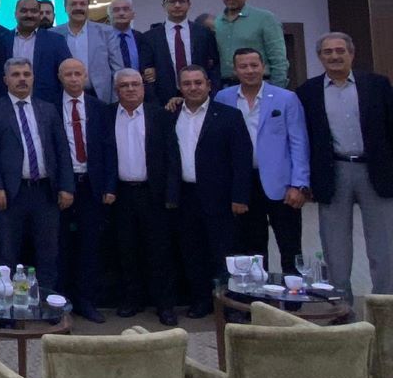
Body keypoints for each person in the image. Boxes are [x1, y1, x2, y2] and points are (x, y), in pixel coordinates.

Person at [298, 33, 393, 294]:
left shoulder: (377, 85)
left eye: (340, 50)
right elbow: (304, 137)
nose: (334, 56)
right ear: (320, 57)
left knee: (384, 244)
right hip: (333, 171)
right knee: (335, 245)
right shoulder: (308, 91)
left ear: (352, 53)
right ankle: (340, 304)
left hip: (375, 170)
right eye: (327, 52)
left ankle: (385, 304)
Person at [0, 58, 73, 292]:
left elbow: (62, 150)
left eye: (26, 74)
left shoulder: (48, 109)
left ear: (33, 78)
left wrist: (66, 186)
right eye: (16, 75)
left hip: (45, 192)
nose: (22, 79)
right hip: (12, 193)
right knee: (7, 253)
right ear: (6, 80)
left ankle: (48, 302)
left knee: (48, 253)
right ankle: (6, 307)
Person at [215, 48, 309, 274]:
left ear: (263, 67)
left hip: (282, 185)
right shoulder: (223, 98)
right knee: (252, 249)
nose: (249, 71)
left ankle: (292, 293)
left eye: (254, 65)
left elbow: (299, 142)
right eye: (243, 66)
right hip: (244, 183)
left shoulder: (286, 98)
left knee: (290, 247)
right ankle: (257, 295)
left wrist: (299, 184)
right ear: (235, 70)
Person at [170, 65, 251, 317]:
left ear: (208, 85)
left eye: (198, 82)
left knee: (223, 252)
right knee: (192, 251)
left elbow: (242, 158)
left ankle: (230, 305)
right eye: (187, 83)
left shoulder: (228, 115)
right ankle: (201, 301)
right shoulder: (170, 115)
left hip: (220, 196)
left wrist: (240, 196)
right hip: (185, 195)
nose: (193, 88)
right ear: (179, 87)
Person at [110, 68, 180, 326]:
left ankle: (165, 305)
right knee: (126, 250)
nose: (130, 89)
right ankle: (132, 300)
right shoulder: (107, 115)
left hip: (153, 194)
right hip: (121, 195)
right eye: (124, 85)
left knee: (159, 251)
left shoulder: (159, 115)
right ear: (116, 90)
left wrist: (171, 194)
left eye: (135, 84)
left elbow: (172, 157)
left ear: (143, 87)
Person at [56, 58, 115, 322]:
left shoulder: (98, 107)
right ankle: (60, 302)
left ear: (86, 76)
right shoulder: (49, 107)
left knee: (89, 246)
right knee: (60, 246)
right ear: (60, 77)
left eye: (77, 73)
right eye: (68, 74)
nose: (73, 78)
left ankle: (86, 301)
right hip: (61, 187)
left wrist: (109, 185)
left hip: (92, 185)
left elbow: (109, 148)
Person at [140, 0, 220, 106]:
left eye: (182, 1)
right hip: (164, 101)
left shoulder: (204, 33)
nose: (177, 5)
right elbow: (147, 73)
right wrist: (155, 103)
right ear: (164, 6)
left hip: (200, 97)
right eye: (172, 1)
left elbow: (214, 67)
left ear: (189, 5)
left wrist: (212, 93)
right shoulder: (150, 37)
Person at [0, 0, 71, 106]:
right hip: (8, 106)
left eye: (34, 11)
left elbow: (66, 74)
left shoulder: (56, 41)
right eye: (24, 11)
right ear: (15, 14)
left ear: (39, 14)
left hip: (47, 106)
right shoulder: (2, 40)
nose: (29, 15)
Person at [216, 0, 289, 88]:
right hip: (227, 88)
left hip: (261, 86)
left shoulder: (265, 19)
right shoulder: (217, 22)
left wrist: (276, 91)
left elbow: (279, 60)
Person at [60, 0, 117, 102]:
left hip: (99, 96)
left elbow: (117, 69)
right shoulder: (55, 34)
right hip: (63, 96)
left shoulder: (106, 32)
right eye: (73, 4)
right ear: (65, 8)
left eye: (83, 4)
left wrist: (115, 100)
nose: (78, 8)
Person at [109, 0, 144, 72]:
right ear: (109, 15)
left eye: (126, 9)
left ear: (133, 15)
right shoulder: (102, 39)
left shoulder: (142, 38)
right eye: (116, 10)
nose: (121, 13)